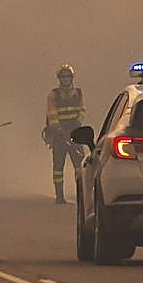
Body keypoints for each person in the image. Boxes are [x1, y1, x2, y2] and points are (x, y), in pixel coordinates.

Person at [45, 63, 86, 204]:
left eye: (68, 76)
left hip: (75, 131)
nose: (66, 79)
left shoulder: (78, 93)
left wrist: (77, 124)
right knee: (58, 166)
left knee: (79, 165)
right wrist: (59, 130)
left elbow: (82, 110)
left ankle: (81, 195)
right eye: (63, 76)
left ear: (72, 77)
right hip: (59, 134)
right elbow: (52, 114)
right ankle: (59, 196)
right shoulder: (53, 95)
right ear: (59, 78)